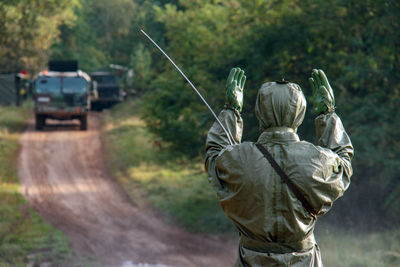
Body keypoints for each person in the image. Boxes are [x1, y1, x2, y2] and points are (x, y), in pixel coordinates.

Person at [205, 68, 354, 266]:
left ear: (260, 112)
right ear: (299, 114)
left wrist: (231, 111)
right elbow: (344, 163)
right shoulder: (318, 159)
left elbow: (214, 155)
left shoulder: (238, 158)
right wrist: (327, 115)